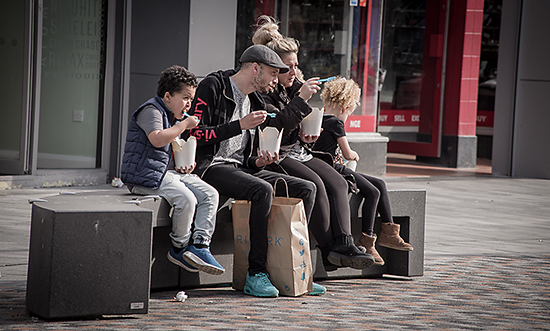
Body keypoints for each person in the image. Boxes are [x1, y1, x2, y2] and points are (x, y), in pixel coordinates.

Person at [188, 44, 325, 298]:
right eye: (273, 73)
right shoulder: (213, 86)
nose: (276, 80)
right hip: (210, 167)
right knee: (261, 190)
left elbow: (267, 134)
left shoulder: (254, 98)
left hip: (240, 168)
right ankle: (256, 273)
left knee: (306, 188)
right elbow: (195, 133)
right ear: (255, 68)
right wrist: (239, 125)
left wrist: (258, 162)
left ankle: (293, 270)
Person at [252, 16, 374, 272]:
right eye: (288, 67)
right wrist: (302, 100)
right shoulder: (264, 91)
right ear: (272, 68)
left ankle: (344, 243)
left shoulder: (289, 84)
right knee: (316, 185)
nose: (294, 72)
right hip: (277, 157)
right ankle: (330, 250)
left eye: (296, 65)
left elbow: (295, 122)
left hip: (298, 151)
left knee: (339, 182)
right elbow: (275, 128)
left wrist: (306, 133)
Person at [120, 65, 225, 276]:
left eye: (191, 99)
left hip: (163, 173)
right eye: (185, 97)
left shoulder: (171, 116)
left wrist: (184, 163)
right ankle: (179, 247)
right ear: (167, 96)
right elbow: (157, 139)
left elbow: (172, 149)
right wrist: (184, 124)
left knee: (210, 194)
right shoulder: (151, 110)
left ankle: (200, 245)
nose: (189, 103)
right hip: (143, 176)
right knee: (187, 199)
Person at [313, 77, 414, 266]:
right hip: (334, 169)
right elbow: (347, 153)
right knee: (374, 190)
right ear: (346, 109)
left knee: (380, 184)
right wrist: (355, 155)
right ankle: (367, 240)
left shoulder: (322, 119)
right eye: (350, 113)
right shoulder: (336, 123)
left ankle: (389, 233)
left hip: (329, 167)